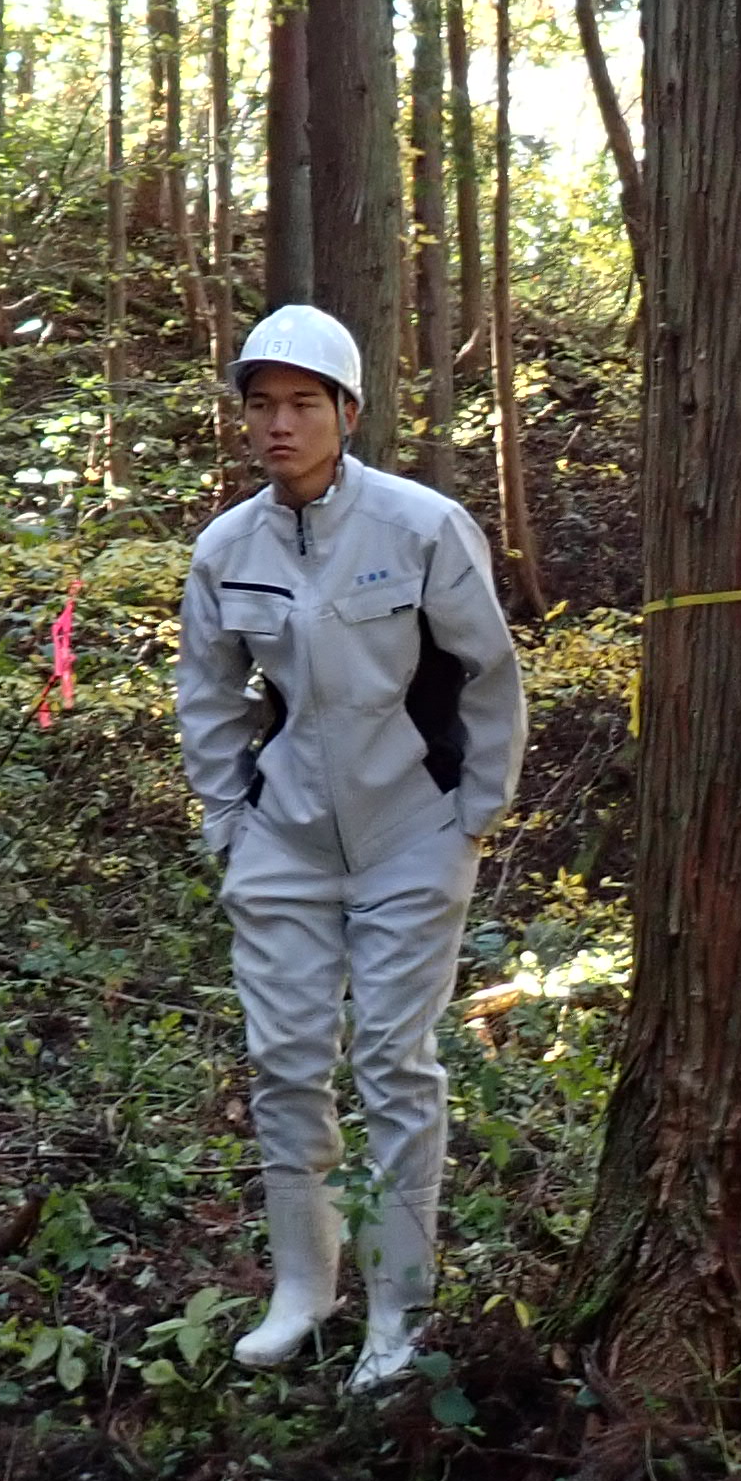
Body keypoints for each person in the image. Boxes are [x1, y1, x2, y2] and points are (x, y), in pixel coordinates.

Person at [174, 305, 525, 1389]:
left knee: (390, 1061)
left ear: (348, 413)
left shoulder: (421, 527)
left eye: (302, 404)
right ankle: (301, 1289)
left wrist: (476, 811)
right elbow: (210, 699)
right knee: (284, 1062)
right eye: (261, 406)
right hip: (281, 839)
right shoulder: (227, 548)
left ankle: (396, 1308)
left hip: (411, 834)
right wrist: (229, 823)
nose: (279, 426)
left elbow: (488, 673)